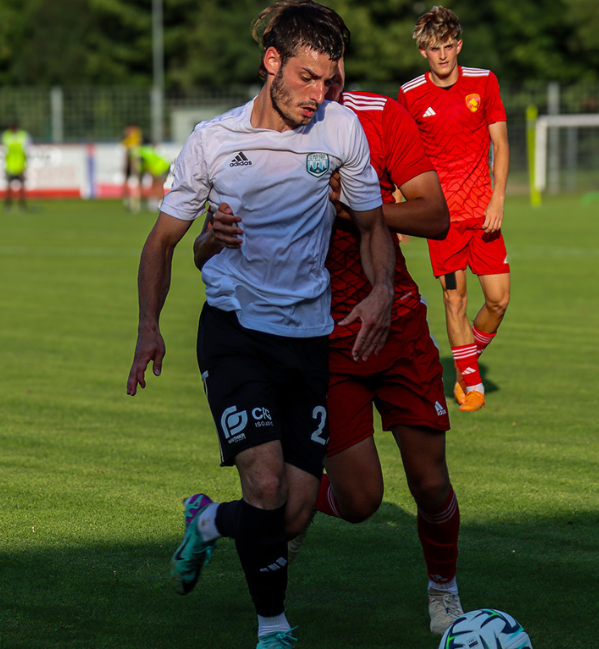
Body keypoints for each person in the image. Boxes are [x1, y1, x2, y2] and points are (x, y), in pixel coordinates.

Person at [125, 4, 395, 647]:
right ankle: (273, 628)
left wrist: (382, 288)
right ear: (271, 63)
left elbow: (371, 226)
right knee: (267, 481)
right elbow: (164, 243)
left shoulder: (342, 131)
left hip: (308, 336)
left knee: (295, 509)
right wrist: (148, 327)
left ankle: (210, 522)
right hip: (235, 330)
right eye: (306, 77)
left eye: (328, 81)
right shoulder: (213, 142)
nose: (318, 94)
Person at [197, 2, 463, 633]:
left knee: (429, 481)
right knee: (362, 500)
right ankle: (263, 511)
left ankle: (444, 590)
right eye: (314, 69)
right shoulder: (258, 133)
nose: (325, 81)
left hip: (393, 321)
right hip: (322, 339)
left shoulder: (377, 117)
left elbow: (434, 216)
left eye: (335, 62)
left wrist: (359, 210)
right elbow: (210, 245)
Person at [397, 6, 510, 411]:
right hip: (441, 220)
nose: (442, 55)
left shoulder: (484, 81)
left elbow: (501, 144)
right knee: (454, 300)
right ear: (423, 52)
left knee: (498, 299)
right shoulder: (410, 94)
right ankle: (472, 385)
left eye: (447, 46)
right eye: (433, 48)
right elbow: (401, 155)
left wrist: (497, 198)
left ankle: (466, 360)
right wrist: (399, 209)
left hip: (484, 216)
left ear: (458, 45)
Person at [2, 121, 30, 213]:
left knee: (22, 187)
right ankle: (8, 205)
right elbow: (4, 151)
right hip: (10, 165)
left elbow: (26, 150)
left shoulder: (23, 135)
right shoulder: (6, 136)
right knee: (8, 187)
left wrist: (26, 165)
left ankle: (22, 205)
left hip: (20, 165)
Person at [136, 139, 170, 211]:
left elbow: (147, 166)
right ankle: (158, 202)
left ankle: (159, 202)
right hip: (163, 165)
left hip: (160, 168)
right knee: (157, 185)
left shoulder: (140, 152)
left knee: (158, 185)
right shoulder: (144, 150)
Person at [122, 124, 144, 212]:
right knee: (134, 180)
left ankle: (133, 201)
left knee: (135, 180)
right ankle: (132, 201)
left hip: (134, 159)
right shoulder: (133, 138)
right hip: (133, 160)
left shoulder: (133, 137)